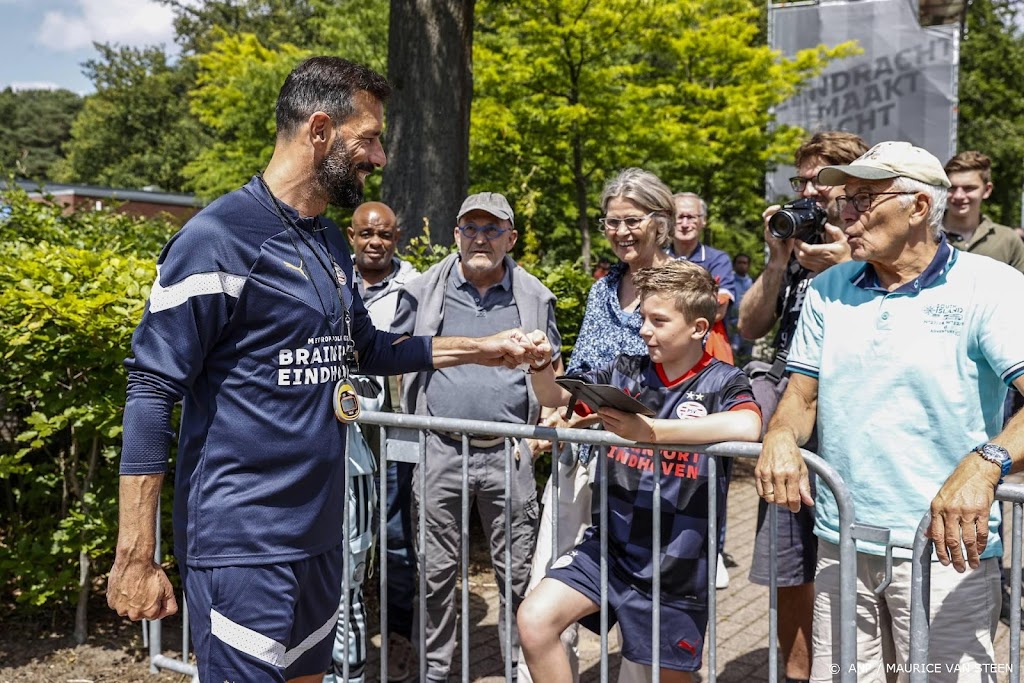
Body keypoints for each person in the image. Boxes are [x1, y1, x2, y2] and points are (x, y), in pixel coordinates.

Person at [105, 57, 541, 683]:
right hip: (244, 546)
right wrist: (135, 555)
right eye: (367, 137)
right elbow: (150, 390)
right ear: (318, 130)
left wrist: (484, 346)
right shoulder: (218, 237)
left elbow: (373, 351)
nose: (380, 156)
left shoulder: (329, 241)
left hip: (319, 539)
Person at [756, 140, 1024, 682]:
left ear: (919, 208)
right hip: (842, 542)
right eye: (845, 197)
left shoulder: (990, 286)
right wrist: (781, 435)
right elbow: (802, 395)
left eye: (863, 198)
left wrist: (987, 460)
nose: (845, 211)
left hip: (946, 546)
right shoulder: (830, 287)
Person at [517, 259, 762, 683]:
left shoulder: (723, 381)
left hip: (676, 568)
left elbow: (749, 425)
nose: (645, 330)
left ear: (699, 328)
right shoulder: (625, 369)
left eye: (659, 321)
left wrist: (649, 431)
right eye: (643, 318)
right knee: (535, 621)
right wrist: (542, 365)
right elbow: (559, 393)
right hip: (610, 548)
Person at [392, 191, 562, 683]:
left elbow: (552, 371)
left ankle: (516, 671)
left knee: (518, 574)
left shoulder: (534, 296)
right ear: (456, 235)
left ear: (511, 237)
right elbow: (399, 354)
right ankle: (437, 673)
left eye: (493, 229)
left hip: (508, 454)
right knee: (436, 575)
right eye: (471, 228)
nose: (481, 238)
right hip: (440, 449)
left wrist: (541, 427)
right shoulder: (425, 290)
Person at [518, 167, 676, 683]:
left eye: (632, 221)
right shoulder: (603, 288)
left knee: (642, 602)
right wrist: (556, 393)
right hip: (585, 460)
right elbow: (580, 373)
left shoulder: (683, 284)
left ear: (660, 221)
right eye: (612, 222)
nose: (621, 232)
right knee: (555, 578)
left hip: (645, 466)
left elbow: (683, 379)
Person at [737, 130, 867, 683]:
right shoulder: (796, 249)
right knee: (789, 563)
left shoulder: (868, 254)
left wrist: (848, 262)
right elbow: (748, 325)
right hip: (793, 421)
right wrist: (777, 258)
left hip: (853, 423)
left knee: (856, 568)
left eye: (821, 180)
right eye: (801, 180)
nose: (808, 192)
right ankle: (796, 674)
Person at [325, 201, 419, 683]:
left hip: (394, 436)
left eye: (383, 235)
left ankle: (399, 640)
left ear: (396, 237)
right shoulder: (332, 277)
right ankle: (343, 648)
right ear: (352, 235)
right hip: (342, 441)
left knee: (397, 543)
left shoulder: (414, 288)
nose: (375, 242)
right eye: (365, 234)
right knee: (343, 552)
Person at [668, 192, 736, 365]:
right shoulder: (658, 258)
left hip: (709, 352)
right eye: (679, 217)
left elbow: (718, 312)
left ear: (703, 221)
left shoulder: (718, 260)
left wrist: (668, 302)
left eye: (690, 217)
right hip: (665, 349)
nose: (684, 224)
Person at [942, 150, 1024, 273]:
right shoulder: (922, 235)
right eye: (952, 188)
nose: (958, 195)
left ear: (987, 190)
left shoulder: (1007, 241)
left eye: (969, 188)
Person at [726, 253, 754, 360]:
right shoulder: (729, 281)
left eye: (745, 263)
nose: (742, 265)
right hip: (731, 324)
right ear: (734, 265)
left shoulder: (752, 283)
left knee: (746, 357)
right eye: (739, 262)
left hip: (748, 326)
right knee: (732, 355)